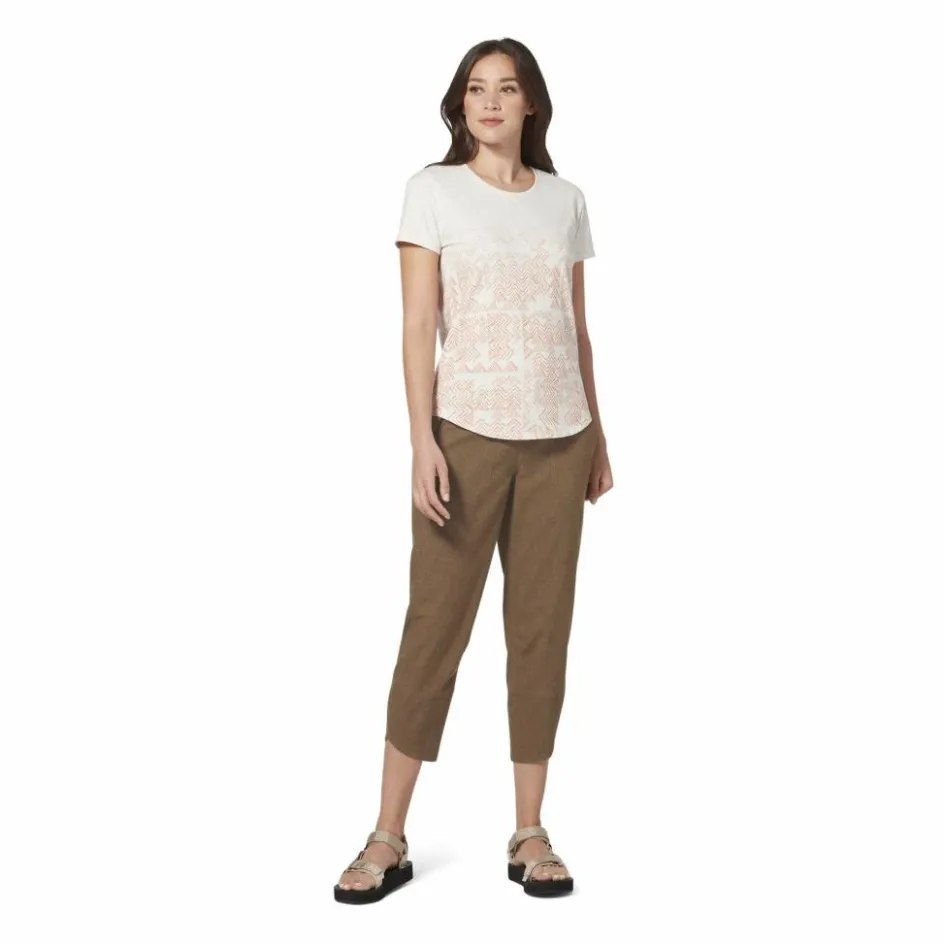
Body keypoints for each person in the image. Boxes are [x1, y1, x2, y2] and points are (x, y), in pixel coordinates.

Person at [334, 37, 614, 905]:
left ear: (532, 104)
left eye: (508, 88)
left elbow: (576, 327)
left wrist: (600, 435)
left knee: (541, 632)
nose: (491, 101)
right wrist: (421, 441)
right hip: (467, 436)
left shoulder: (565, 201)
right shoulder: (433, 191)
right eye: (476, 88)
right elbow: (419, 326)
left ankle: (530, 831)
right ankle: (388, 835)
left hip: (561, 437)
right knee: (435, 628)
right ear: (461, 104)